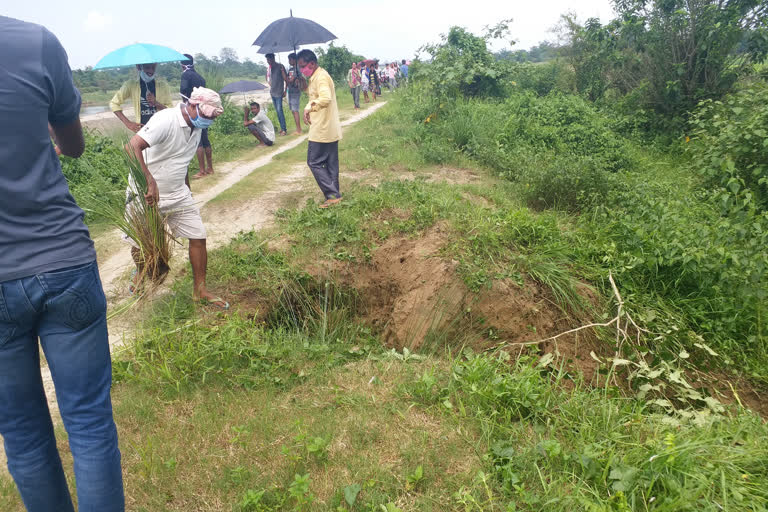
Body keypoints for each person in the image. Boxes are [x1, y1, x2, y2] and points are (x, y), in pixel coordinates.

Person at [0, 16, 125, 511]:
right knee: (90, 423)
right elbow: (73, 144)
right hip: (61, 258)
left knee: (23, 437)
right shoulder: (34, 41)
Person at [127, 87, 229, 309]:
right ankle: (140, 275)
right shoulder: (166, 120)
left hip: (177, 192)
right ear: (192, 105)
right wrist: (149, 181)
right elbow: (132, 146)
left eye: (212, 118)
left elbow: (182, 161)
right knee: (142, 243)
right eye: (206, 116)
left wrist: (187, 191)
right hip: (146, 193)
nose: (208, 122)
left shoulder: (197, 126)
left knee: (198, 235)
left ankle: (200, 290)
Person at [297, 49, 343, 208]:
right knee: (331, 164)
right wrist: (304, 87)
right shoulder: (316, 77)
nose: (302, 70)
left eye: (303, 66)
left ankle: (332, 195)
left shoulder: (321, 77)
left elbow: (325, 98)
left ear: (312, 63)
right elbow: (315, 93)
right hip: (329, 128)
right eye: (300, 67)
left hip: (322, 129)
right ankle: (335, 195)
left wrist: (309, 107)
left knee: (314, 162)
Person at [110, 62, 172, 133]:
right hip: (142, 132)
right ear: (139, 67)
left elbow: (170, 111)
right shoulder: (131, 85)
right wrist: (128, 123)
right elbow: (114, 103)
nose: (151, 71)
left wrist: (156, 103)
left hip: (162, 130)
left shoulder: (163, 86)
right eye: (147, 68)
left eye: (153, 68)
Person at [180, 54, 214, 179]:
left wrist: (185, 106)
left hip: (193, 111)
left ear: (182, 64)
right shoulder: (200, 77)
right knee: (205, 139)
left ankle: (202, 170)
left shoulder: (185, 75)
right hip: (203, 110)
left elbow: (183, 91)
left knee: (197, 139)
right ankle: (210, 168)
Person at [265, 53, 288, 136]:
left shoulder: (280, 66)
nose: (268, 61)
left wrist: (285, 91)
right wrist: (270, 83)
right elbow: (267, 78)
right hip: (272, 92)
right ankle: (282, 129)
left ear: (273, 58)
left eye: (269, 59)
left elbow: (286, 79)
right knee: (278, 112)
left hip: (279, 92)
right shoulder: (269, 68)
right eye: (267, 60)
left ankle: (284, 129)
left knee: (279, 111)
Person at [286, 53, 305, 135]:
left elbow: (301, 78)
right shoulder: (290, 69)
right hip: (290, 91)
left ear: (294, 59)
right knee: (293, 111)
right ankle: (298, 128)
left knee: (295, 110)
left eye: (290, 59)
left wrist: (296, 79)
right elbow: (287, 80)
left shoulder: (298, 69)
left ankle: (299, 130)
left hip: (296, 91)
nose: (289, 61)